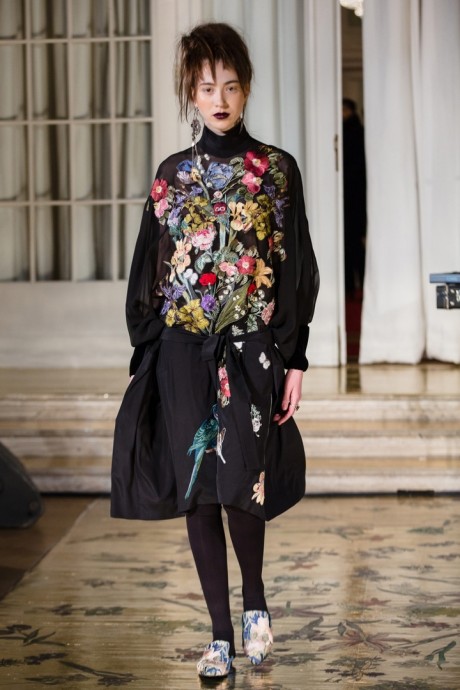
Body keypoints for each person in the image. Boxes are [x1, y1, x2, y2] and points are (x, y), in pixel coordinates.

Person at [111, 22, 319, 679]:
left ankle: (255, 601)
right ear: (191, 93)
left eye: (230, 85)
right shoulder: (172, 176)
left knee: (242, 482)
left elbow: (295, 266)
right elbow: (149, 266)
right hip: (181, 353)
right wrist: (151, 346)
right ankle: (220, 636)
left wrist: (296, 356)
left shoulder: (275, 171)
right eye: (206, 88)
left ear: (246, 88)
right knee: (198, 489)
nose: (219, 98)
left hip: (251, 350)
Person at [342, 98, 366, 297]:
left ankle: (356, 284)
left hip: (354, 195)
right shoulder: (352, 132)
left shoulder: (355, 133)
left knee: (353, 243)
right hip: (352, 195)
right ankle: (351, 285)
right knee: (350, 243)